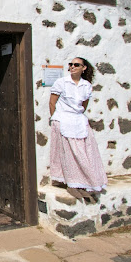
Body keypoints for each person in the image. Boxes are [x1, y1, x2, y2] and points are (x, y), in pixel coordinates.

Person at [49, 57, 107, 201]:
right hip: (63, 120)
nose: (73, 67)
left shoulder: (86, 85)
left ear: (84, 68)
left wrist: (77, 115)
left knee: (85, 152)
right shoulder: (61, 83)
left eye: (76, 65)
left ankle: (85, 182)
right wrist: (57, 118)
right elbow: (52, 102)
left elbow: (84, 105)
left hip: (79, 120)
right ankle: (72, 184)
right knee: (69, 153)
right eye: (71, 64)